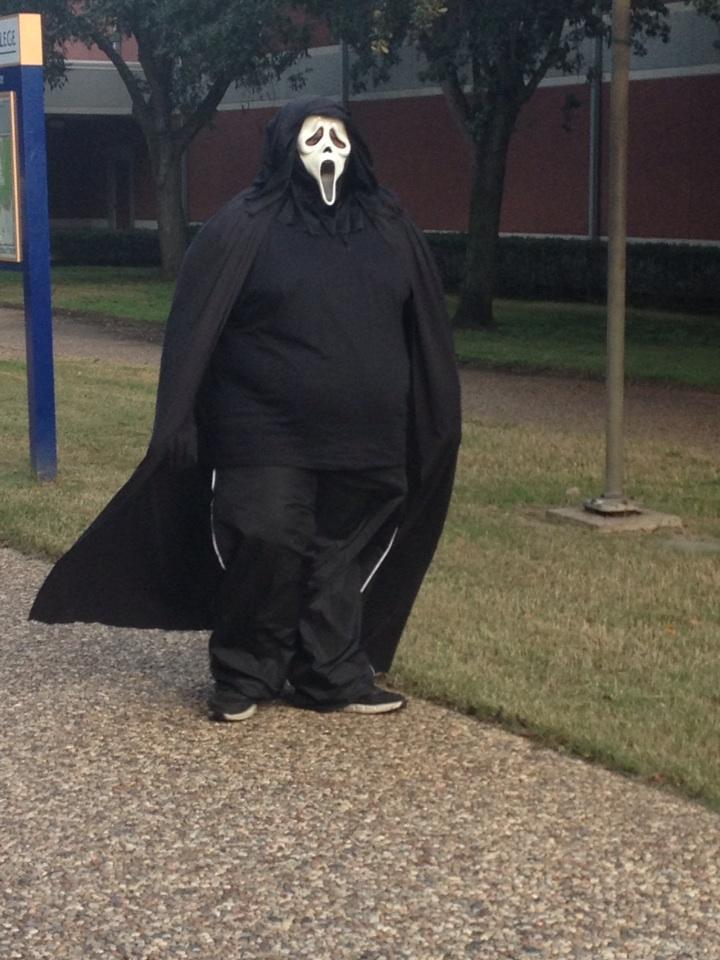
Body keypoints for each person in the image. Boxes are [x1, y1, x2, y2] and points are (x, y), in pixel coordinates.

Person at [30, 97, 461, 722]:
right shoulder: (244, 224)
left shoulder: (389, 224)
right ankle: (247, 670)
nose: (328, 149)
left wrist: (432, 416)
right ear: (285, 146)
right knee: (266, 538)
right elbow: (196, 326)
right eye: (313, 136)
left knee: (340, 556)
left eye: (338, 136)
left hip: (367, 434)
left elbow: (423, 325)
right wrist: (180, 416)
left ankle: (329, 673)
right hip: (264, 428)